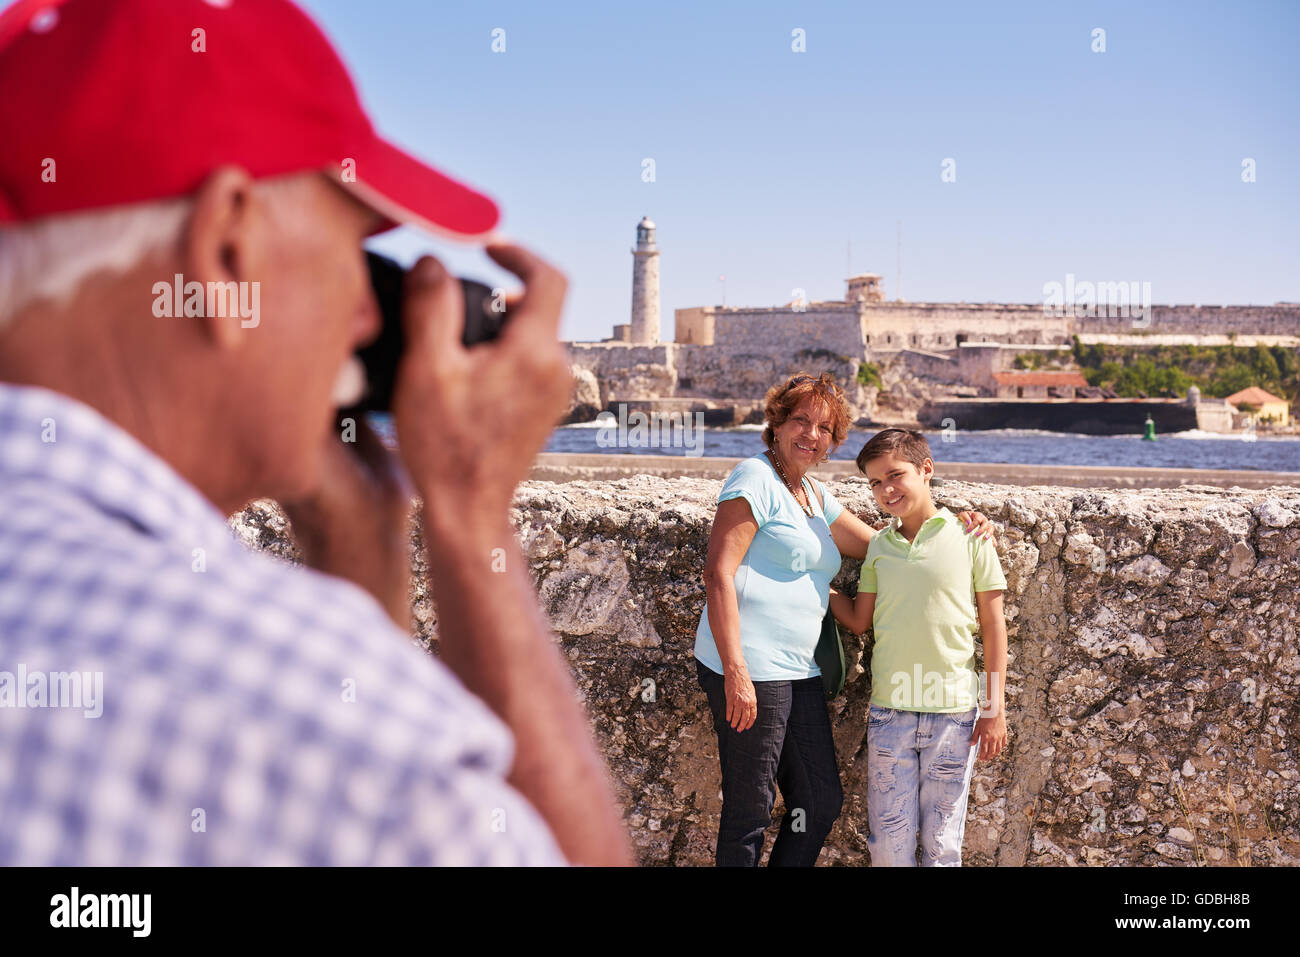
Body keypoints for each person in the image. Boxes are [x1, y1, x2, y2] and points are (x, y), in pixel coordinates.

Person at [0, 0, 631, 865]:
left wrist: (358, 560)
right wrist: (471, 515)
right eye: (352, 257)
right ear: (226, 253)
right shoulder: (316, 742)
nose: (370, 315)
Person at [694, 374, 994, 866]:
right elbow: (717, 574)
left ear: (834, 441)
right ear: (777, 423)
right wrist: (736, 671)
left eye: (824, 427)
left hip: (799, 668)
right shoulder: (755, 477)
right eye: (801, 420)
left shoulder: (810, 493)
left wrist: (961, 524)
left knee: (818, 801)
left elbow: (884, 543)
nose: (811, 434)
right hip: (749, 665)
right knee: (750, 809)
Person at [829, 428, 1008, 866]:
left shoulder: (971, 537)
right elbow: (858, 620)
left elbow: (993, 626)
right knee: (888, 847)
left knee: (942, 846)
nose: (886, 489)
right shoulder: (879, 549)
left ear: (926, 469)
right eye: (874, 482)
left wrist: (994, 709)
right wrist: (811, 583)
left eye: (895, 475)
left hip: (955, 716)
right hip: (890, 714)